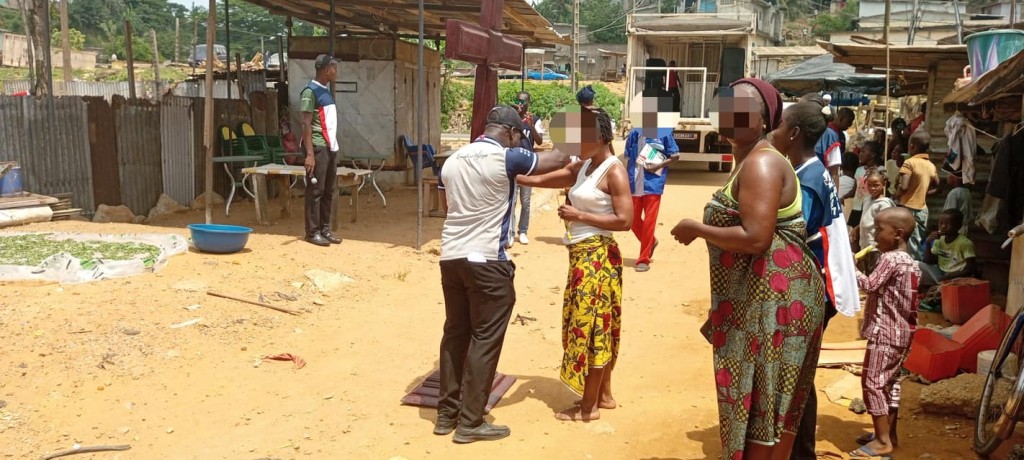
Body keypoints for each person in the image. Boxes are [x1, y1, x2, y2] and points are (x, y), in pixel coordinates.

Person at [670, 78, 825, 460]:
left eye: (742, 108)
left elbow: (756, 238)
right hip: (763, 298)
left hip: (776, 303)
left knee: (765, 407)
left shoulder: (761, 163)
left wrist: (696, 229)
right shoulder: (749, 160)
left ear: (764, 117)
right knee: (765, 404)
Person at [435, 105, 568, 443]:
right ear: (511, 133)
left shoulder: (451, 160)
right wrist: (574, 133)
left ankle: (446, 414)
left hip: (451, 257)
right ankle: (470, 421)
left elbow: (445, 208)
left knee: (455, 334)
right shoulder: (507, 158)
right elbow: (557, 160)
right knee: (485, 339)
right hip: (488, 262)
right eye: (518, 137)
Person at [516, 107, 633, 422]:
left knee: (591, 328)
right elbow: (553, 177)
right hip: (581, 258)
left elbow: (625, 220)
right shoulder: (585, 166)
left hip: (597, 259)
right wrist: (519, 178)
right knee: (595, 324)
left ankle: (587, 407)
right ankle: (604, 396)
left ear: (600, 137)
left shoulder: (614, 171)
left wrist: (579, 215)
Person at [770, 96, 860, 460]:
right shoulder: (814, 169)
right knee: (799, 375)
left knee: (797, 376)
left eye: (780, 125)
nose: (773, 131)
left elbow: (793, 232)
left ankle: (800, 452)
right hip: (822, 282)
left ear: (793, 134)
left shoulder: (805, 180)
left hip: (814, 289)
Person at [848, 207, 921, 459]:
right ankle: (890, 434)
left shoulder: (890, 260)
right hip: (902, 334)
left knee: (873, 383)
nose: (874, 235)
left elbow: (870, 285)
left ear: (897, 234)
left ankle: (881, 441)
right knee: (890, 383)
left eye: (879, 230)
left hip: (885, 333)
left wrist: (850, 267)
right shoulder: (911, 262)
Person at [624, 92, 680, 273]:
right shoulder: (634, 133)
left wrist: (658, 165)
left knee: (649, 221)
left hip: (653, 183)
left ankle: (643, 258)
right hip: (634, 182)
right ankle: (651, 241)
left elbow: (675, 155)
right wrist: (625, 181)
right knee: (631, 220)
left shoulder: (663, 133)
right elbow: (628, 159)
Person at [300, 54, 342, 247]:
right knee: (315, 190)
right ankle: (312, 232)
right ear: (326, 70)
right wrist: (310, 154)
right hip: (317, 146)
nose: (336, 71)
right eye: (334, 67)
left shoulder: (326, 91)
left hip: (330, 145)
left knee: (328, 190)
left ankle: (325, 230)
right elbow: (305, 123)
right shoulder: (310, 92)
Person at [508, 91, 544, 247]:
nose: (520, 104)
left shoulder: (534, 120)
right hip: (512, 165)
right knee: (512, 200)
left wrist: (531, 126)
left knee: (526, 201)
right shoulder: (511, 118)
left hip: (527, 166)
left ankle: (523, 231)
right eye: (518, 101)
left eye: (523, 101)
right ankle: (510, 233)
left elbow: (540, 141)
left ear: (529, 102)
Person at [896, 130, 940, 259]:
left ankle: (915, 268)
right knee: (917, 241)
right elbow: (939, 187)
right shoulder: (931, 166)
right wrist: (924, 193)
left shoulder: (909, 163)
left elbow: (904, 187)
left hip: (908, 208)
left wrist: (895, 195)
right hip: (922, 210)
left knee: (909, 245)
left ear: (912, 146)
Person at [920, 209, 977, 287]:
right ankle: (940, 284)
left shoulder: (965, 243)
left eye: (947, 224)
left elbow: (970, 268)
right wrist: (928, 243)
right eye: (941, 223)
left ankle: (941, 285)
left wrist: (950, 276)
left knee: (953, 283)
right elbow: (929, 261)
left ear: (958, 226)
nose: (943, 226)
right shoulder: (939, 240)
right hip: (941, 273)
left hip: (957, 275)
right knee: (919, 265)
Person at [854, 171, 896, 274]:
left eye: (876, 185)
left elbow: (885, 225)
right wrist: (857, 228)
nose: (872, 188)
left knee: (875, 272)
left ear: (883, 185)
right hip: (864, 245)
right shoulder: (867, 201)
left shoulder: (884, 204)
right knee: (866, 272)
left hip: (875, 246)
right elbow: (866, 218)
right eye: (870, 185)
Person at [814, 106, 854, 186]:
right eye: (849, 121)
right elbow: (834, 171)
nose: (850, 125)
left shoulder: (841, 135)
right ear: (841, 119)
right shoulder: (828, 132)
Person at [849, 141, 884, 227]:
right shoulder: (859, 170)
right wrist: (843, 197)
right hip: (857, 206)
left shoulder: (880, 170)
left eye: (863, 152)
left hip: (870, 206)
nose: (860, 154)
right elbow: (854, 190)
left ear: (872, 155)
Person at [943, 170, 972, 235]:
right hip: (963, 227)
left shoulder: (954, 193)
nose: (947, 177)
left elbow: (949, 214)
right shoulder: (967, 192)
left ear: (956, 178)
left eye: (949, 174)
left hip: (953, 229)